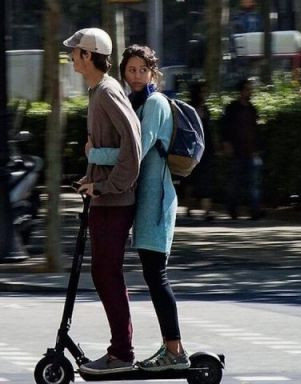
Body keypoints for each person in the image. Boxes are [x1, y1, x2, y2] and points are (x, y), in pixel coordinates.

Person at [88, 44, 190, 372]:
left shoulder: (155, 103)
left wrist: (95, 153)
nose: (135, 76)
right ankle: (172, 349)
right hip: (144, 202)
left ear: (152, 72)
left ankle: (175, 351)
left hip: (156, 204)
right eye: (130, 70)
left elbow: (137, 150)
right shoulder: (135, 103)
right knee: (152, 273)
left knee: (156, 275)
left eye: (142, 70)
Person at [63, 28, 142, 374]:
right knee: (103, 272)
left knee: (107, 273)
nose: (70, 57)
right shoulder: (98, 91)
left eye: (75, 51)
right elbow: (110, 147)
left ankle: (122, 353)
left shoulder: (108, 92)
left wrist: (107, 186)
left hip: (115, 201)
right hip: (105, 198)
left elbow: (133, 146)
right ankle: (120, 350)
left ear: (87, 55)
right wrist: (90, 178)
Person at [221, 78, 263, 220]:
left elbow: (255, 130)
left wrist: (257, 148)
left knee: (253, 183)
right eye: (247, 89)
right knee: (235, 182)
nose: (249, 92)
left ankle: (254, 210)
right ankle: (232, 209)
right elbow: (225, 128)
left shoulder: (252, 109)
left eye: (250, 89)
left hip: (251, 151)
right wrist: (227, 144)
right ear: (241, 91)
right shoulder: (232, 108)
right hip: (237, 151)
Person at [184, 80, 216, 221]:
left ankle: (207, 210)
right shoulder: (189, 109)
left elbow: (209, 131)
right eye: (202, 91)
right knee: (191, 179)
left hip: (206, 149)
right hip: (192, 149)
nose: (204, 95)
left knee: (206, 179)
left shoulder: (206, 110)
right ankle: (189, 206)